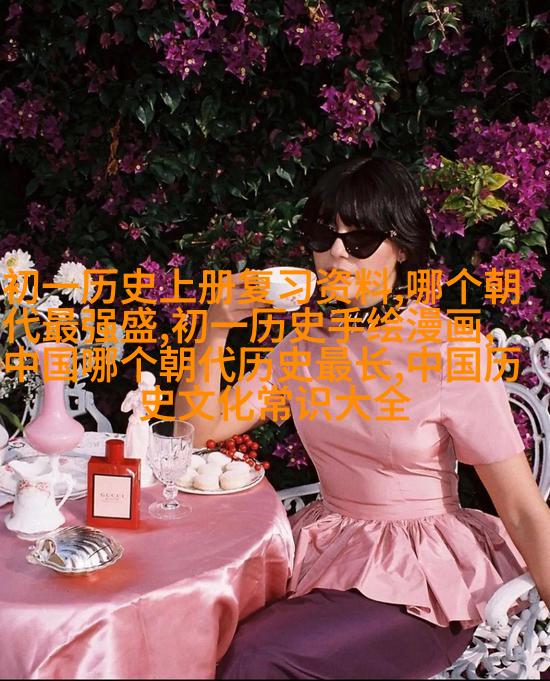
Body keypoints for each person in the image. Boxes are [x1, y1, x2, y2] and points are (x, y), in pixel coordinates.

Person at [175, 157, 550, 679]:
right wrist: (216, 326)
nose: (334, 254)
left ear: (402, 249)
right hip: (326, 549)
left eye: (359, 241)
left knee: (256, 657)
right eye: (322, 236)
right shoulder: (303, 345)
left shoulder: (449, 350)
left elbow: (523, 509)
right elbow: (197, 431)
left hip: (424, 582)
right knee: (190, 626)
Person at [121, 370, 157, 486]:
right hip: (133, 422)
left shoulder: (152, 395)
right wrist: (131, 400)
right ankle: (130, 465)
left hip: (143, 423)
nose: (141, 386)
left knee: (142, 445)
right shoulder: (133, 394)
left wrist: (145, 401)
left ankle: (141, 465)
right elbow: (124, 409)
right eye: (140, 383)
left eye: (144, 384)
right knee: (131, 444)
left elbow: (152, 411)